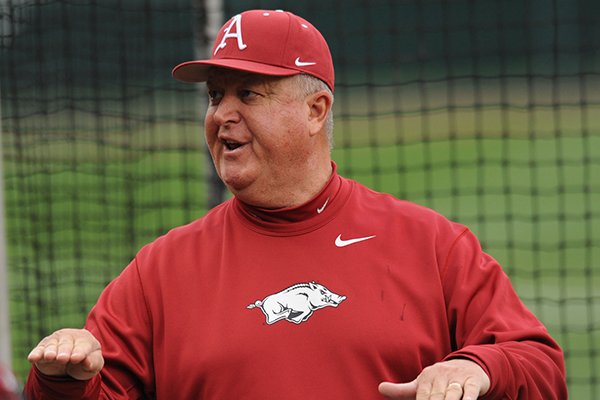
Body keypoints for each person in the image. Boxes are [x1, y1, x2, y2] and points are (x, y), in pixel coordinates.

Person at [24, 9, 567, 400]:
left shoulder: (431, 245)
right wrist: (63, 383)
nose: (221, 115)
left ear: (315, 109)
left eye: (248, 94)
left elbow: (542, 369)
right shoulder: (160, 270)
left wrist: (479, 367)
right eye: (216, 95)